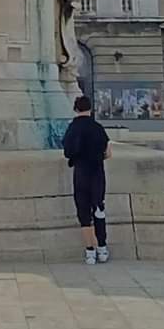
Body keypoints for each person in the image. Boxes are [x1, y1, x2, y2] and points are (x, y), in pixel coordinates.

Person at [62, 94, 111, 263]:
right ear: (90, 109)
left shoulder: (72, 128)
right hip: (97, 173)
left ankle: (90, 251)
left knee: (84, 214)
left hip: (81, 174)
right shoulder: (98, 128)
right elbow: (108, 153)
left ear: (76, 109)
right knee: (98, 209)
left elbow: (67, 152)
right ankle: (102, 248)